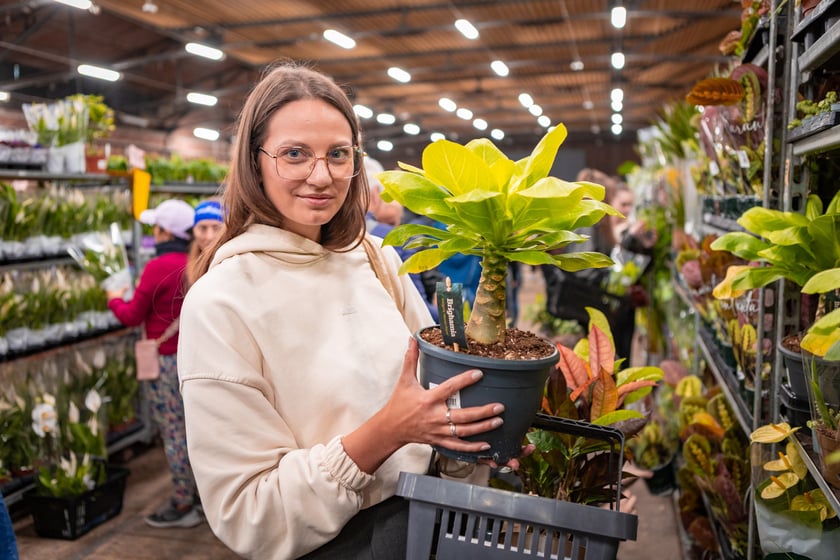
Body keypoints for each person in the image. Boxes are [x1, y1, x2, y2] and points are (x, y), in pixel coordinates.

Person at [177, 62, 521, 559]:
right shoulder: (221, 303)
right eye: (294, 154)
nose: (322, 176)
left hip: (426, 526)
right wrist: (386, 433)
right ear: (254, 162)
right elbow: (250, 512)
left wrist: (484, 437)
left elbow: (435, 401)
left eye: (338, 154)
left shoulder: (377, 260)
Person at [105, 198, 202, 529]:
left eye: (155, 228)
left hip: (166, 362)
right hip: (196, 357)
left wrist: (114, 299)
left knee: (174, 433)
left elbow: (132, 316)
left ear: (164, 232)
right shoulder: (198, 261)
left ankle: (182, 503)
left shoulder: (158, 267)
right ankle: (204, 497)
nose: (153, 233)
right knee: (199, 430)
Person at [542, 169, 656, 361]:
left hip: (588, 304)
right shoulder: (590, 223)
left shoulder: (591, 222)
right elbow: (585, 267)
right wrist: (611, 277)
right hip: (590, 305)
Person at [186, 198, 225, 287]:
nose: (209, 236)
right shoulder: (185, 268)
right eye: (203, 228)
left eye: (217, 228)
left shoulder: (236, 263)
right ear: (193, 230)